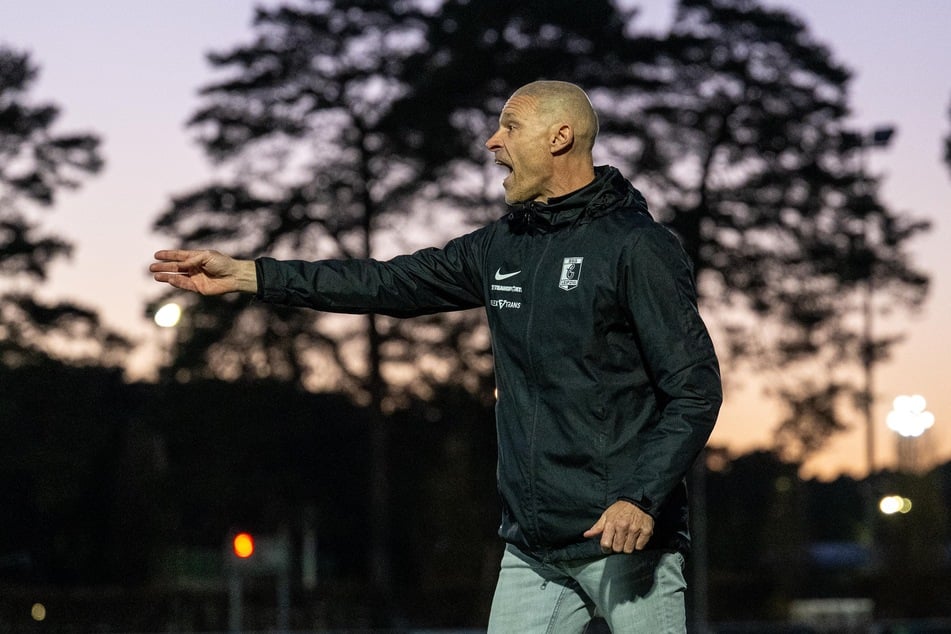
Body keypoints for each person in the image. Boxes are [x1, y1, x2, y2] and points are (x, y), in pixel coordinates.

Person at [151, 80, 722, 633]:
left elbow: (695, 388)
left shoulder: (636, 246)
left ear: (559, 137)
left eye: (510, 126)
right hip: (535, 545)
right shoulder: (503, 245)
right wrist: (252, 275)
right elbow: (386, 283)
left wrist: (640, 498)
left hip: (624, 536)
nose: (492, 141)